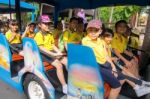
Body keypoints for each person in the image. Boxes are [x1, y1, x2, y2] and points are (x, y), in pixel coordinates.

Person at [101, 28, 150, 97]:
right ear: (101, 37)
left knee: (124, 70)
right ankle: (138, 86)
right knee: (122, 74)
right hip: (104, 65)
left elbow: (107, 56)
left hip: (108, 63)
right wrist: (113, 61)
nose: (110, 39)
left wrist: (113, 59)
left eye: (111, 37)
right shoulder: (100, 45)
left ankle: (139, 84)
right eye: (107, 37)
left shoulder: (108, 45)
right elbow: (102, 58)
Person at [82, 19, 124, 99]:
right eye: (90, 30)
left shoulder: (101, 41)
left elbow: (105, 55)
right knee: (117, 86)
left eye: (96, 30)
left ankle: (110, 93)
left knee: (122, 77)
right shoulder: (86, 40)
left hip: (106, 64)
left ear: (100, 31)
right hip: (97, 66)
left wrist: (113, 66)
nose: (93, 33)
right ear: (87, 30)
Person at [34, 15, 67, 94]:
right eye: (45, 23)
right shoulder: (38, 35)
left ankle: (72, 80)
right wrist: (53, 54)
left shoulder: (49, 34)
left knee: (67, 61)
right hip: (43, 54)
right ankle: (64, 86)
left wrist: (58, 52)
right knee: (59, 65)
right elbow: (41, 48)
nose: (47, 25)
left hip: (51, 52)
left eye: (48, 23)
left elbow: (52, 45)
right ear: (39, 25)